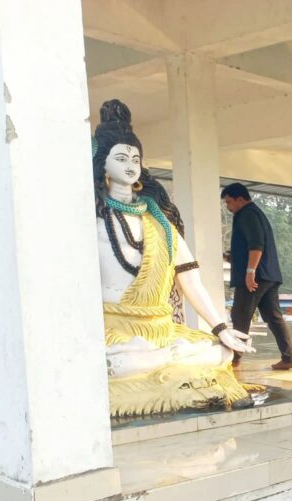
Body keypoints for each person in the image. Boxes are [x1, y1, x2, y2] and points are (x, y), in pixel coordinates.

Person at [92, 100, 259, 417]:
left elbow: (192, 282)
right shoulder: (94, 222)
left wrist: (221, 328)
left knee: (221, 352)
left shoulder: (160, 224)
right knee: (117, 362)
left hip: (161, 330)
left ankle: (165, 359)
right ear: (103, 165)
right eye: (121, 158)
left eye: (135, 159)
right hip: (117, 331)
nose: (130, 165)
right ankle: (168, 360)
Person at [221, 183, 292, 370]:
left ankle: (234, 359)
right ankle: (288, 358)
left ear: (240, 199)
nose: (228, 207)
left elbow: (256, 245)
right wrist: (232, 257)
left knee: (240, 315)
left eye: (229, 202)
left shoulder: (247, 214)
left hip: (256, 277)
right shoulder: (256, 214)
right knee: (273, 317)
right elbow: (250, 247)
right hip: (268, 275)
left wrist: (250, 272)